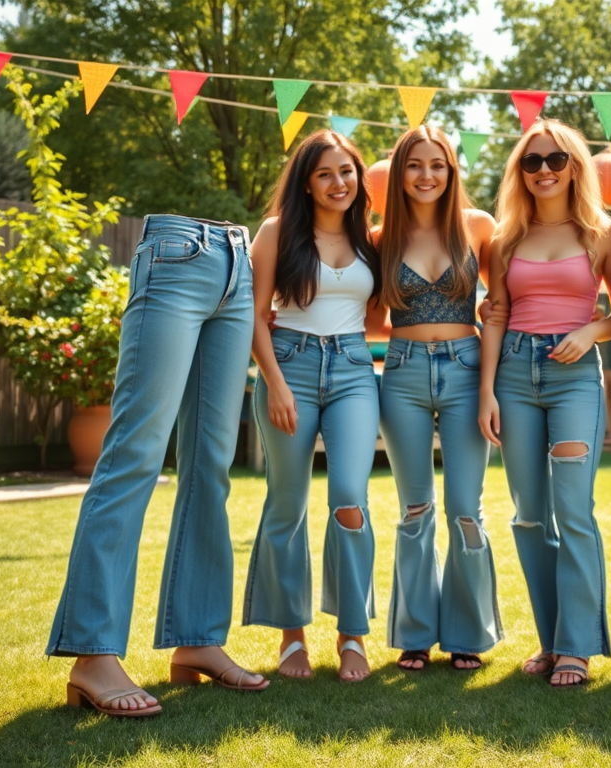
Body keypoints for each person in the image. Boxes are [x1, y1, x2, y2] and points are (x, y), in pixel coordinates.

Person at [47, 213, 268, 717]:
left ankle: (198, 638)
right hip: (176, 256)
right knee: (135, 454)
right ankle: (93, 656)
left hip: (239, 264)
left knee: (211, 466)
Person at [478, 119, 611, 688]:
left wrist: (591, 334)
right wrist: (487, 389)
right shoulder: (504, 240)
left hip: (574, 381)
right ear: (520, 171)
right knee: (529, 516)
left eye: (555, 159)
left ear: (575, 166)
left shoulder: (601, 234)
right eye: (532, 161)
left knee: (575, 513)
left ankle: (577, 647)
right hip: (514, 374)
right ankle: (550, 640)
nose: (544, 170)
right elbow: (494, 315)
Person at [245, 129, 381, 683]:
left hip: (353, 370)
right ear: (306, 182)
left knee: (350, 499)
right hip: (289, 367)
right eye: (325, 173)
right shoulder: (277, 232)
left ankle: (352, 635)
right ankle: (291, 637)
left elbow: (377, 322)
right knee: (288, 502)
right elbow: (252, 315)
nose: (338, 182)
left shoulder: (370, 239)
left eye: (346, 171)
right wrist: (274, 382)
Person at [375, 126, 502, 671]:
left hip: (468, 371)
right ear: (399, 172)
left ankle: (469, 632)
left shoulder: (478, 227)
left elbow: (499, 310)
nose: (427, 175)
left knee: (464, 510)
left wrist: (490, 386)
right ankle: (415, 633)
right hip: (401, 371)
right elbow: (366, 321)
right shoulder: (379, 239)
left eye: (439, 165)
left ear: (453, 172)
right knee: (414, 508)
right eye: (415, 165)